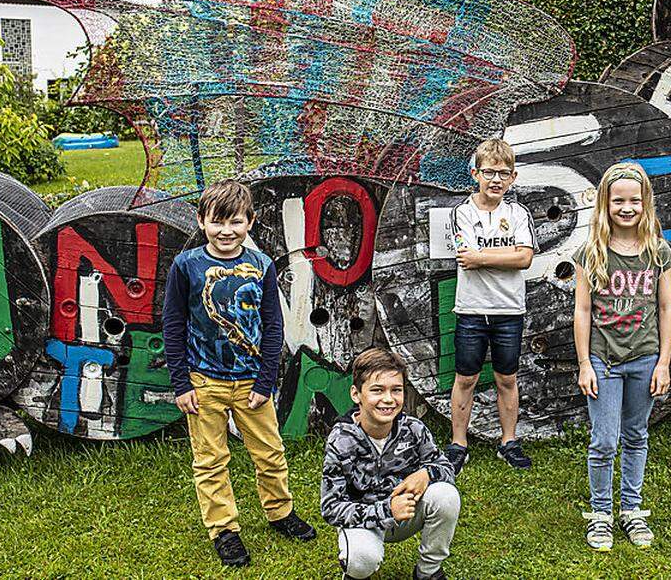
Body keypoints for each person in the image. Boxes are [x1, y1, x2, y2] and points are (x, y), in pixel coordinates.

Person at [163, 179, 316, 567]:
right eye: (217, 222)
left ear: (251, 221)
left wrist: (266, 380)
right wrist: (181, 383)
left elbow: (272, 326)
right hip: (203, 382)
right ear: (202, 221)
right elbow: (173, 324)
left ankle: (280, 512)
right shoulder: (187, 266)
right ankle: (224, 530)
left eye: (235, 222)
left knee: (270, 452)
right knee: (210, 460)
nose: (226, 231)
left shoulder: (261, 265)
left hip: (252, 383)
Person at [572, 162, 671, 551]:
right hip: (603, 359)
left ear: (646, 203)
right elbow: (582, 311)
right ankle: (600, 514)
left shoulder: (657, 252)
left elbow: (666, 308)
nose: (627, 207)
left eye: (635, 200)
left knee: (636, 435)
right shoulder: (591, 253)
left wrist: (664, 361)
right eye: (619, 200)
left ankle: (631, 509)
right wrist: (584, 363)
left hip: (646, 357)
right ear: (606, 203)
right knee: (603, 440)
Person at [321, 347, 460, 580]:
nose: (388, 399)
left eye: (396, 390)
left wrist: (426, 473)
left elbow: (445, 467)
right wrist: (386, 509)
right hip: (364, 521)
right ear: (356, 394)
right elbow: (331, 507)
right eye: (377, 390)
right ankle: (355, 573)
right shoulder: (341, 440)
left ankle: (428, 572)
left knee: (446, 495)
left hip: (407, 514)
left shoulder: (413, 428)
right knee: (361, 558)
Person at [444, 138, 537, 473]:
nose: (496, 180)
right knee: (465, 378)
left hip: (509, 310)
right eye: (489, 172)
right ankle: (458, 444)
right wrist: (503, 256)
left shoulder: (518, 213)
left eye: (503, 173)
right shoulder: (462, 213)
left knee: (506, 378)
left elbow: (525, 258)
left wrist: (483, 258)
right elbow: (465, 257)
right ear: (475, 174)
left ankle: (509, 442)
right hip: (471, 309)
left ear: (512, 178)